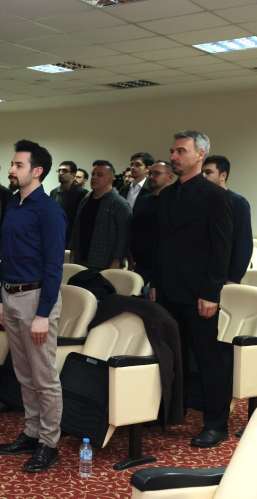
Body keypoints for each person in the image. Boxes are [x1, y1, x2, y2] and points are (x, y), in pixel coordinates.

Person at [152, 130, 233, 448]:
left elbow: (221, 249)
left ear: (200, 155)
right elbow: (162, 244)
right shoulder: (167, 195)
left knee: (207, 358)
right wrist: (155, 283)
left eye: (181, 151)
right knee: (174, 355)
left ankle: (216, 424)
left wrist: (211, 293)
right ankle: (175, 411)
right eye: (172, 151)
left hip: (199, 293)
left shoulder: (214, 195)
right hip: (168, 290)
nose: (173, 156)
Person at [0, 140, 66, 473]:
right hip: (11, 296)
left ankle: (48, 444)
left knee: (44, 377)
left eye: (18, 165)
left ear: (37, 171)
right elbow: (6, 258)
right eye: (12, 164)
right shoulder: (14, 204)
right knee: (23, 374)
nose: (11, 169)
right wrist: (0, 299)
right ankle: (32, 432)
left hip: (36, 299)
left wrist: (42, 315)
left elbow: (54, 267)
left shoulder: (49, 210)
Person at [69, 160, 132, 271]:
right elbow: (76, 229)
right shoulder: (85, 201)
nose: (94, 177)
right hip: (80, 260)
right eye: (93, 174)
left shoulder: (119, 204)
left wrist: (117, 262)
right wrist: (73, 253)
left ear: (110, 179)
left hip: (104, 264)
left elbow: (124, 237)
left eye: (99, 175)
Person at [202, 155, 252, 284]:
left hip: (224, 275)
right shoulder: (200, 200)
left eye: (208, 172)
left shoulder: (238, 202)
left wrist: (233, 278)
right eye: (201, 172)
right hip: (199, 272)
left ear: (223, 175)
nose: (203, 176)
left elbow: (243, 244)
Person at [129, 161, 174, 287]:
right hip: (138, 264)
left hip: (161, 267)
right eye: (150, 174)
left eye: (157, 173)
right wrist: (131, 256)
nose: (151, 177)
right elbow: (134, 229)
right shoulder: (143, 200)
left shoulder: (173, 202)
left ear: (170, 177)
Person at [49, 161, 87, 248]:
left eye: (64, 171)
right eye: (59, 170)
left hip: (70, 238)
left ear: (73, 175)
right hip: (53, 235)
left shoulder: (81, 193)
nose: (60, 173)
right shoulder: (53, 192)